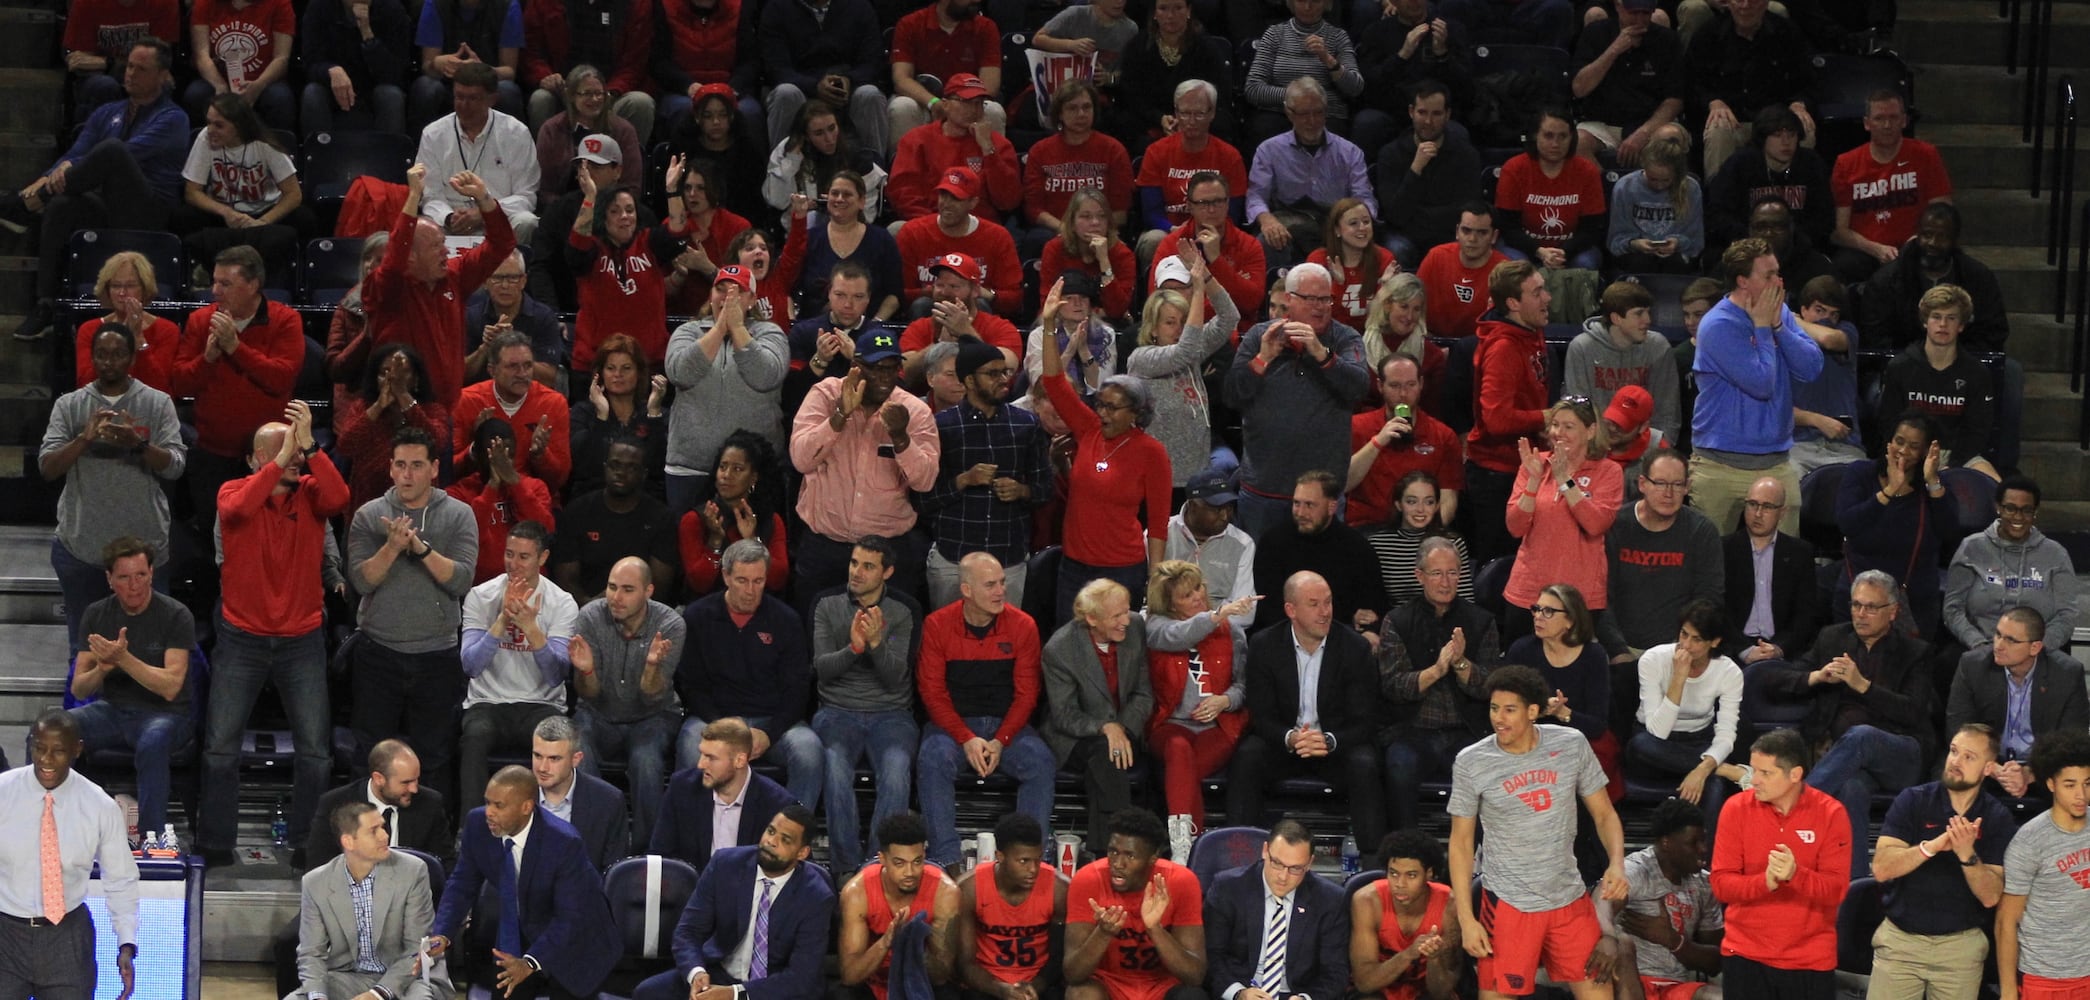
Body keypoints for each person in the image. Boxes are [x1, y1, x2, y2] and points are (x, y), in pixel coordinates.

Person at [199, 403, 348, 865]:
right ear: (254, 459)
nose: (292, 458)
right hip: (242, 638)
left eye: (293, 448)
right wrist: (285, 456)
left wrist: (311, 446)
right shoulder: (232, 491)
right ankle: (217, 843)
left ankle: (308, 842)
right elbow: (242, 506)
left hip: (301, 641)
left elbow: (340, 497)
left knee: (316, 754)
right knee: (221, 748)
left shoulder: (311, 494)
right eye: (277, 449)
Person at [1448, 664, 1629, 1000]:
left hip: (1569, 900)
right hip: (1508, 904)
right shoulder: (1472, 762)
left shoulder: (1571, 744)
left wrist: (1616, 862)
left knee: (1601, 991)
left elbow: (1604, 813)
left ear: (1533, 711)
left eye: (1509, 710)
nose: (1498, 718)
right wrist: (1466, 918)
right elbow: (1460, 843)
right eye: (1493, 708)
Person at [2, 39, 186, 343]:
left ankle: (23, 208)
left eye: (141, 69)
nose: (131, 74)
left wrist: (61, 176)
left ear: (162, 76)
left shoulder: (173, 118)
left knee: (113, 151)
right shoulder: (108, 112)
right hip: (103, 202)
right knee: (63, 205)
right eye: (129, 66)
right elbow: (76, 153)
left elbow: (123, 155)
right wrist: (51, 174)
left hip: (148, 209)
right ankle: (45, 304)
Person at [1770, 571, 1935, 877]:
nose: (1861, 614)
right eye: (1856, 605)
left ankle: (1794, 805)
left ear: (1893, 612)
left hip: (1901, 755)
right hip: (1849, 763)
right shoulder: (1832, 638)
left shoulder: (1916, 653)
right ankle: (1855, 889)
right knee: (1851, 790)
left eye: (1871, 607)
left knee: (1862, 736)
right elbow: (1780, 678)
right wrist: (1816, 676)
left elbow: (1914, 712)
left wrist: (1864, 686)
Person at [347, 427, 479, 800]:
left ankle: (430, 845)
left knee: (435, 756)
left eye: (416, 465)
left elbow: (460, 581)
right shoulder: (369, 515)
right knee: (370, 754)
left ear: (435, 468)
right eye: (400, 465)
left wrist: (419, 548)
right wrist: (391, 548)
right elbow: (362, 580)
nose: (407, 474)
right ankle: (363, 834)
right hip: (378, 654)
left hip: (436, 656)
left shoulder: (458, 515)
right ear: (390, 468)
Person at [40, 322, 183, 654]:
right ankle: (80, 708)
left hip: (143, 553)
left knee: (147, 650)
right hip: (82, 550)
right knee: (84, 649)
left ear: (131, 357)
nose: (109, 362)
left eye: (118, 355)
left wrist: (138, 445)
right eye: (102, 355)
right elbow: (47, 468)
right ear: (92, 358)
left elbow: (176, 466)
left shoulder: (157, 403)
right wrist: (83, 438)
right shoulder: (70, 405)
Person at [1039, 279, 1173, 625]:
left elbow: (1158, 525)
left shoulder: (1151, 452)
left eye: (1114, 408)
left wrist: (1155, 579)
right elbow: (1054, 382)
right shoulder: (1088, 429)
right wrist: (1050, 325)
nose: (1103, 414)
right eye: (1101, 405)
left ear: (1137, 414)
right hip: (1074, 566)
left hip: (1122, 570)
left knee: (1116, 651)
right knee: (1067, 646)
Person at [1230, 571, 1388, 850]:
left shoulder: (1354, 647)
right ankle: (1243, 853)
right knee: (1248, 756)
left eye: (1328, 603)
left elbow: (1365, 719)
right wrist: (1290, 737)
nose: (1325, 612)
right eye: (1314, 604)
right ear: (1291, 610)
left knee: (1364, 763)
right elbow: (1260, 714)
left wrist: (1328, 740)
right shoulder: (1265, 645)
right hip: (1284, 743)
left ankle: (1372, 861)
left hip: (1336, 745)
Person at [917, 553, 1057, 869]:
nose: (1000, 591)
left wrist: (1000, 740)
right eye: (990, 584)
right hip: (953, 728)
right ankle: (947, 860)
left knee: (1040, 762)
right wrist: (966, 737)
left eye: (1002, 583)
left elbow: (1027, 694)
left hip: (1007, 727)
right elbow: (933, 694)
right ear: (966, 589)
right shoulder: (937, 625)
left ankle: (1026, 856)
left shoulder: (1023, 626)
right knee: (932, 759)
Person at [428, 767, 615, 1000]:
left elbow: (571, 916)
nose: (489, 812)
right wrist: (443, 933)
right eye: (487, 802)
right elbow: (462, 882)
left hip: (577, 940)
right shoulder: (478, 825)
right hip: (523, 928)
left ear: (526, 807)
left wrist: (530, 963)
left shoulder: (563, 842)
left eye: (499, 805)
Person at [1865, 723, 2017, 1000]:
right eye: (1954, 751)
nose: (1956, 762)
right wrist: (1930, 847)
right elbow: (1881, 868)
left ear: (1988, 769)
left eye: (1969, 757)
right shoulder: (1913, 800)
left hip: (1960, 947)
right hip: (1901, 942)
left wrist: (1967, 855)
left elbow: (1991, 896)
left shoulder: (1997, 818)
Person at [791, 329, 939, 606]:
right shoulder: (825, 395)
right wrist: (839, 416)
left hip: (886, 551)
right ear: (856, 366)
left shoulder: (913, 412)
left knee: (882, 640)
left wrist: (901, 437)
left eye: (892, 368)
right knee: (817, 633)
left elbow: (926, 481)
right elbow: (801, 458)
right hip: (824, 547)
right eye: (876, 368)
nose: (885, 377)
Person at [1226, 262, 1372, 539]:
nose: (1320, 306)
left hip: (1321, 493)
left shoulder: (1345, 338)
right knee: (1259, 575)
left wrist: (1322, 354)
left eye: (1325, 299)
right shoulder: (1260, 336)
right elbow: (1233, 395)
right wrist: (1263, 358)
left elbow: (1358, 389)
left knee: (1321, 576)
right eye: (1310, 299)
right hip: (1263, 490)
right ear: (1289, 299)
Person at [0, 710, 140, 1000]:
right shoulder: (3, 793)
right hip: (5, 936)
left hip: (68, 940)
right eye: (39, 748)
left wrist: (126, 944)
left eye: (58, 751)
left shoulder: (99, 805)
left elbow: (121, 879)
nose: (45, 760)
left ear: (77, 748)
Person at [629, 805, 837, 1000]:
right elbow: (688, 932)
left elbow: (801, 978)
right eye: (771, 831)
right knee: (647, 993)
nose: (771, 841)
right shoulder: (725, 865)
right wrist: (697, 973)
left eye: (785, 840)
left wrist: (735, 995)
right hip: (719, 974)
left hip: (775, 988)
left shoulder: (816, 896)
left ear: (802, 853)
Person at [64, 535, 193, 849]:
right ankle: (62, 828)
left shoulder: (176, 615)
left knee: (153, 740)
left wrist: (123, 658)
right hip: (112, 710)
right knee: (53, 729)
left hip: (166, 716)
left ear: (151, 573)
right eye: (124, 577)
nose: (134, 585)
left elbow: (170, 687)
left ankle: (151, 839)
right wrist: (104, 669)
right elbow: (80, 687)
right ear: (110, 580)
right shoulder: (97, 614)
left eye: (141, 575)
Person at [1689, 238, 1823, 537]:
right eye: (1768, 275)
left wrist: (1777, 326)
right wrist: (1763, 328)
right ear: (1743, 281)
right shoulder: (1717, 326)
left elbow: (1812, 367)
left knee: (1784, 562)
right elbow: (1761, 384)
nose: (1779, 281)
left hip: (1776, 461)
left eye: (1778, 272)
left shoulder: (1780, 313)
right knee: (1712, 568)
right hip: (1719, 465)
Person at [675, 539, 821, 807]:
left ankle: (791, 836)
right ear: (726, 576)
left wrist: (770, 732)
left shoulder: (786, 620)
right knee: (689, 744)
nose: (751, 591)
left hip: (772, 721)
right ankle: (697, 834)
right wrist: (724, 728)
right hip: (716, 719)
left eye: (758, 581)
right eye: (742, 580)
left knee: (808, 750)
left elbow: (798, 689)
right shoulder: (698, 617)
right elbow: (692, 686)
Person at [808, 536, 921, 875]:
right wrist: (854, 649)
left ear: (887, 572)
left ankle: (876, 865)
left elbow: (895, 677)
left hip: (892, 714)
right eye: (854, 563)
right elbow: (822, 670)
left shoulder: (904, 610)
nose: (856, 572)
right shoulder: (826, 603)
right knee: (834, 767)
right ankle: (845, 869)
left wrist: (875, 644)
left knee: (897, 770)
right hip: (836, 711)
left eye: (868, 566)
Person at [170, 245, 305, 527]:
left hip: (269, 458)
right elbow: (180, 383)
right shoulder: (200, 320)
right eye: (215, 282)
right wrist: (207, 359)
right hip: (212, 455)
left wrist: (235, 347)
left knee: (269, 532)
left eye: (225, 283)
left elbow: (281, 379)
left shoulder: (285, 321)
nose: (215, 291)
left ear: (253, 284)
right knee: (213, 535)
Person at [1709, 728, 1849, 999]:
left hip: (1810, 960)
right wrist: (1766, 882)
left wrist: (1796, 875)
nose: (1754, 780)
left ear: (1795, 775)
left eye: (1765, 773)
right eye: (1753, 770)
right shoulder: (1735, 809)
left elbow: (1837, 890)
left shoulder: (1832, 814)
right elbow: (1721, 885)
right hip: (1745, 956)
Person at [364, 160, 517, 408]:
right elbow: (393, 260)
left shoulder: (454, 276)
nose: (446, 251)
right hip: (396, 410)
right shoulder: (387, 288)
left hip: (447, 409)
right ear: (410, 255)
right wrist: (413, 196)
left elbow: (502, 244)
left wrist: (483, 197)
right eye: (436, 246)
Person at [1377, 536, 1497, 830]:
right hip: (1413, 731)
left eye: (1453, 573)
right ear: (1420, 576)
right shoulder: (1397, 621)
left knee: (1484, 768)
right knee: (1398, 765)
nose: (1446, 582)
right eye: (1437, 573)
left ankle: (1478, 861)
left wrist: (1460, 663)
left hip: (1466, 731)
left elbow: (1491, 685)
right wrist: (1436, 669)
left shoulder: (1481, 620)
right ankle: (1406, 854)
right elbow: (1393, 686)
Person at [923, 341, 1050, 609]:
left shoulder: (1026, 424)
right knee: (948, 640)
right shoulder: (942, 426)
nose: (1003, 380)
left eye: (1005, 373)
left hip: (1009, 558)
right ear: (969, 380)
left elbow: (1044, 489)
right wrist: (964, 480)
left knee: (1005, 640)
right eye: (992, 374)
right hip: (953, 557)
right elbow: (923, 499)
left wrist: (1021, 490)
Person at [566, 557, 682, 848]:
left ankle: (649, 853)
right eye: (612, 587)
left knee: (646, 760)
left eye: (628, 590)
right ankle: (594, 845)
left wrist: (653, 666)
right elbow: (588, 694)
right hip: (598, 713)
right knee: (579, 753)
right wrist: (587, 671)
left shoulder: (670, 625)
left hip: (652, 715)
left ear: (649, 591)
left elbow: (651, 695)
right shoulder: (590, 617)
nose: (616, 598)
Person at [457, 520, 577, 801]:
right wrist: (502, 621)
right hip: (487, 703)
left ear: (543, 558)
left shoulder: (562, 603)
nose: (514, 563)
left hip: (542, 705)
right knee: (473, 738)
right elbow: (470, 666)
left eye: (523, 557)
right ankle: (470, 828)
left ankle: (548, 823)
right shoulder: (480, 596)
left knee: (552, 743)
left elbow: (555, 675)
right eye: (509, 554)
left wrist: (532, 629)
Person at [664, 262, 791, 516]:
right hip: (690, 466)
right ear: (710, 294)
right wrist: (720, 327)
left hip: (753, 472)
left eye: (737, 291)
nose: (726, 298)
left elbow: (766, 376)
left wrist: (738, 329)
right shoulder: (687, 332)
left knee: (753, 549)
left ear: (752, 299)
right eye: (721, 289)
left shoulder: (771, 334)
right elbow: (680, 373)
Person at [289, 800, 448, 1000]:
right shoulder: (316, 883)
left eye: (382, 826)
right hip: (347, 977)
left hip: (409, 977)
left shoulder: (412, 871)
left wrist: (377, 994)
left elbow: (415, 950)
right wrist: (318, 997)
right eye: (374, 831)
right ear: (349, 841)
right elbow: (311, 954)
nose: (385, 835)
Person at [1043, 579, 1154, 852]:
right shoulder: (1060, 649)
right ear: (1091, 618)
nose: (1125, 621)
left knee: (1111, 760)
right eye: (1116, 616)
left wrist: (1122, 730)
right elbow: (1064, 715)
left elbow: (1144, 693)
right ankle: (1121, 847)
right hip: (1078, 736)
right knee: (1107, 756)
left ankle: (1104, 851)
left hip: (1127, 730)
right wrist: (1106, 727)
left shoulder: (1136, 627)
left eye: (1126, 611)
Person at [1143, 561, 1254, 833]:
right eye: (1187, 595)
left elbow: (1244, 685)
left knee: (1182, 774)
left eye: (1198, 588)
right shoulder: (1155, 627)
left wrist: (1224, 700)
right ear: (1170, 606)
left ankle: (1182, 845)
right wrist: (1218, 615)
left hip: (1218, 727)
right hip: (1169, 724)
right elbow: (1178, 636)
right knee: (1179, 751)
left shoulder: (1232, 632)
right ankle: (1189, 845)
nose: (1198, 597)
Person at [1501, 398, 1625, 641]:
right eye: (1555, 425)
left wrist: (1565, 481)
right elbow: (1515, 527)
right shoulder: (1534, 465)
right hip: (1528, 591)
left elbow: (1596, 524)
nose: (1559, 433)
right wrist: (1534, 481)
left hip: (1578, 597)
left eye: (1569, 426)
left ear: (1590, 431)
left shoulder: (1608, 472)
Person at [1464, 260, 1558, 564]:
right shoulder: (1504, 347)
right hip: (1498, 476)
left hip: (1523, 466)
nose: (1548, 298)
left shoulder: (1530, 332)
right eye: (1538, 292)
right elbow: (1496, 419)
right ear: (1513, 303)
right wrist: (1546, 417)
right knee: (1501, 568)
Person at [1064, 807, 1209, 1000]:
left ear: (1152, 858)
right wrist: (1103, 933)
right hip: (1108, 984)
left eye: (1130, 856)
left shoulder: (1181, 882)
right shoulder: (1088, 880)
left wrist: (1155, 929)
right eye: (1113, 852)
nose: (1117, 863)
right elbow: (1073, 974)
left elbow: (1195, 976)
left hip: (1162, 986)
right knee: (1080, 994)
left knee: (1192, 997)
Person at [1946, 608, 2089, 801]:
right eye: (1998, 635)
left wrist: (2029, 773)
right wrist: (1994, 769)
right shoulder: (1973, 665)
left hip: (2044, 767)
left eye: (2011, 640)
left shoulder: (2067, 674)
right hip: (1986, 764)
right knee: (1947, 774)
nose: (1999, 645)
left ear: (2035, 647)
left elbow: (2072, 741)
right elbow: (1958, 727)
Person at [1835, 415, 1958, 636]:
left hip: (1913, 598)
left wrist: (1932, 481)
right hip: (1858, 593)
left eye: (1913, 446)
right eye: (1899, 441)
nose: (1903, 450)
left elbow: (1948, 531)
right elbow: (1848, 524)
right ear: (1889, 442)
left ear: (1925, 452)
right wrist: (1889, 491)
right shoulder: (1861, 473)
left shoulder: (1934, 486)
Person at [1593, 798, 1725, 1000]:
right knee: (1622, 942)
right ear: (1667, 843)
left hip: (1676, 986)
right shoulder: (1638, 870)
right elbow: (1601, 901)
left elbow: (1715, 961)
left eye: (1703, 840)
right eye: (1693, 842)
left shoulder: (1704, 884)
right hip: (1632, 981)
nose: (1703, 849)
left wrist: (1672, 940)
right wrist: (1608, 935)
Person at [1631, 601, 1745, 833]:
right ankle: (1725, 769)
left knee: (1712, 784)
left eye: (1696, 639)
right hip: (1654, 748)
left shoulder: (1729, 672)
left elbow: (1725, 735)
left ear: (1714, 642)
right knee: (1641, 745)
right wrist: (1678, 679)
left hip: (1697, 741)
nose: (1686, 645)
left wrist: (1703, 769)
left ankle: (1708, 864)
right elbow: (1657, 732)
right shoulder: (1653, 660)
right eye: (1684, 634)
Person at [1206, 819, 1352, 999]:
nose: (1283, 876)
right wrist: (1238, 993)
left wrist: (1306, 999)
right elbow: (1213, 956)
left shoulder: (1330, 900)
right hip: (1243, 991)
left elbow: (1335, 972)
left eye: (1296, 868)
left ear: (1309, 864)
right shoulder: (1229, 888)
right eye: (1277, 863)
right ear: (1265, 851)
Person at [1128, 255, 1239, 491]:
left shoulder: (1192, 353)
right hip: (1158, 479)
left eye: (1183, 321)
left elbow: (1230, 317)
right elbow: (1184, 351)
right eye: (1170, 322)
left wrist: (1206, 278)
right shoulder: (1142, 359)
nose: (1179, 329)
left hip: (1196, 476)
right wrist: (1197, 292)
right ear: (1153, 327)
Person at [1505, 583, 1621, 802]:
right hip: (1530, 742)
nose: (1538, 616)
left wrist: (1564, 713)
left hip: (1578, 744)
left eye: (1548, 611)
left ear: (1570, 620)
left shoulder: (1593, 656)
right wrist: (1535, 713)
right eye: (1536, 609)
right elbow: (1504, 707)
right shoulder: (1521, 650)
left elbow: (1597, 725)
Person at [1997, 730, 2090, 1000]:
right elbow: (2006, 921)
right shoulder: (2029, 841)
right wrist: (2007, 991)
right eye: (2070, 785)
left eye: (2087, 783)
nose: (2081, 795)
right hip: (2044, 978)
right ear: (2051, 784)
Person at [173, 93, 311, 271]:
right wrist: (226, 212)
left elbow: (293, 194)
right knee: (182, 217)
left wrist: (262, 222)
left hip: (262, 211)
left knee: (304, 219)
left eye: (219, 125)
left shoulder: (264, 145)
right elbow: (192, 192)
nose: (211, 129)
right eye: (208, 122)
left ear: (238, 126)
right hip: (222, 212)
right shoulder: (205, 138)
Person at [1608, 450, 1724, 657]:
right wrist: (1617, 650)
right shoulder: (1616, 525)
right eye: (1660, 483)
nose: (1669, 493)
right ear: (1642, 483)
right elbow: (1601, 595)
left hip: (1679, 650)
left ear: (1687, 487)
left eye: (1677, 484)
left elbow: (1708, 599)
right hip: (1620, 649)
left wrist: (1682, 649)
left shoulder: (1702, 531)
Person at [1681, 0, 1815, 181]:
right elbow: (1692, 83)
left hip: (1774, 122)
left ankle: (1797, 198)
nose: (1744, 6)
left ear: (1765, 3)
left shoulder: (1786, 32)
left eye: (1752, 1)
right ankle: (1719, 200)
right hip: (1732, 121)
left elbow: (1807, 80)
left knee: (1803, 127)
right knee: (1718, 128)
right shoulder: (1708, 34)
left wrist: (1798, 104)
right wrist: (1713, 102)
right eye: (1739, 0)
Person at [756, 0, 889, 182]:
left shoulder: (860, 6)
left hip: (848, 87)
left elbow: (873, 61)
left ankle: (874, 180)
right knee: (785, 94)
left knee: (870, 95)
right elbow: (776, 67)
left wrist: (848, 80)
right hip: (801, 88)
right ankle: (782, 180)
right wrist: (815, 86)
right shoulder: (777, 8)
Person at [1875, 285, 1998, 479]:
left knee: (1996, 488)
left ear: (1961, 325)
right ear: (1925, 321)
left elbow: (1977, 431)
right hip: (1908, 452)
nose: (1943, 324)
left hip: (1957, 455)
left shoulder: (1976, 373)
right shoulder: (1900, 367)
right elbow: (1888, 422)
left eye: (1951, 318)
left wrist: (1954, 465)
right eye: (1936, 317)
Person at [1246, 78, 1373, 265]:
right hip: (1290, 222)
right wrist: (1267, 220)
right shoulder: (1269, 150)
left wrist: (1358, 222)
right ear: (1289, 113)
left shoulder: (1350, 152)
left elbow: (1363, 197)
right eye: (1304, 114)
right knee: (1267, 241)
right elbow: (1256, 196)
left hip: (1337, 223)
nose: (1312, 121)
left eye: (1318, 113)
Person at [1830, 91, 1952, 284]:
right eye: (1879, 118)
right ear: (1867, 123)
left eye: (1893, 118)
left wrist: (1917, 241)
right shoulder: (1846, 163)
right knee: (1845, 265)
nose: (1887, 125)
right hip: (1866, 252)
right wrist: (1875, 248)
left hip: (1916, 246)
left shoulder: (1926, 155)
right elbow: (1840, 232)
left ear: (1904, 121)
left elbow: (1943, 213)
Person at [838, 813, 963, 999]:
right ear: (882, 859)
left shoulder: (946, 893)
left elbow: (940, 976)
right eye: (899, 863)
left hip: (921, 983)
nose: (910, 872)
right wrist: (886, 942)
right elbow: (850, 975)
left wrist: (912, 941)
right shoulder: (857, 893)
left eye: (917, 862)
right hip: (874, 984)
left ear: (924, 856)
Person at [1948, 476, 2077, 656]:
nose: (2018, 517)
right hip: (1981, 648)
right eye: (2010, 508)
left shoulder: (2056, 554)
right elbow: (1953, 609)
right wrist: (1978, 644)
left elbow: (2066, 614)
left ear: (2035, 512)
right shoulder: (1971, 547)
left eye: (2026, 510)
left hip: (2037, 653)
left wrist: (2036, 650)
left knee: (2069, 670)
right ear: (1998, 508)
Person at [1859, 203, 2009, 354]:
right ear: (1917, 234)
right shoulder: (1886, 280)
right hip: (1901, 366)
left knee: (2011, 371)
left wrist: (1955, 360)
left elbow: (1993, 333)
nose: (1933, 243)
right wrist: (1915, 360)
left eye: (1942, 237)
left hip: (1964, 365)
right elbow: (1875, 338)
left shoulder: (1978, 277)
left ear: (1955, 240)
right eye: (1927, 235)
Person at [650, 717, 796, 871]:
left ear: (740, 760)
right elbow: (660, 856)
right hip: (693, 891)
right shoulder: (683, 789)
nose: (700, 764)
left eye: (711, 758)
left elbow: (794, 872)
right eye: (702, 754)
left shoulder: (776, 804)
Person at [414, 62, 540, 241]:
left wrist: (485, 212)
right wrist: (449, 218)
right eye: (459, 97)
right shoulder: (433, 134)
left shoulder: (516, 133)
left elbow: (526, 196)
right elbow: (430, 195)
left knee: (527, 221)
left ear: (492, 99)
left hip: (500, 217)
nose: (464, 105)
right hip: (452, 222)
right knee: (421, 228)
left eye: (473, 98)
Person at [1252, 470, 1386, 635]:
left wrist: (1368, 628)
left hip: (1340, 637)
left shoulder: (1357, 548)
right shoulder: (1273, 542)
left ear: (1331, 507)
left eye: (1309, 505)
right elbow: (1267, 606)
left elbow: (1373, 605)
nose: (1300, 513)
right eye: (1296, 503)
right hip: (1284, 635)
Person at [1134, 82, 1249, 261]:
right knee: (1153, 240)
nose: (1192, 121)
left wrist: (1205, 233)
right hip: (1168, 230)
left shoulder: (1229, 156)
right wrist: (1176, 231)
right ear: (1176, 112)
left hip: (1215, 230)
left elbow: (1232, 212)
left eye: (1199, 114)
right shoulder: (1156, 152)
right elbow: (1151, 212)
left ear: (1212, 113)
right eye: (1185, 113)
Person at [955, 813, 1065, 1000]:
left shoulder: (1059, 889)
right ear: (1000, 856)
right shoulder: (969, 889)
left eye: (1038, 859)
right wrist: (1001, 990)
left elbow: (1059, 958)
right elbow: (966, 963)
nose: (1033, 869)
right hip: (987, 985)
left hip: (1040, 983)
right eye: (1023, 861)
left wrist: (1034, 987)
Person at [1350, 354, 1464, 533]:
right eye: (1395, 386)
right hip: (1365, 528)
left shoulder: (1443, 436)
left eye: (1410, 385)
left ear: (1421, 384)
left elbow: (1448, 499)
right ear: (1380, 386)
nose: (1403, 394)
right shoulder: (1356, 427)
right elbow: (1343, 483)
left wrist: (1425, 533)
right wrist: (1378, 441)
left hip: (1420, 529)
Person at [1374, 81, 1480, 272]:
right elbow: (1395, 215)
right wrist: (1416, 168)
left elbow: (1467, 208)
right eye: (1422, 113)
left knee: (1473, 244)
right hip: (1405, 235)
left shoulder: (1466, 155)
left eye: (1436, 114)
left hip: (1449, 233)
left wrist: (1421, 217)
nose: (1428, 121)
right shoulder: (1390, 154)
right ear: (1411, 112)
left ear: (1448, 115)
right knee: (1396, 250)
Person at [338, 343, 453, 512]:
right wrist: (378, 406)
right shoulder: (362, 408)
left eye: (403, 372)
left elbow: (437, 442)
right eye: (385, 372)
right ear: (375, 378)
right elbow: (345, 445)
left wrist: (403, 396)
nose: (392, 378)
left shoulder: (433, 410)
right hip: (369, 507)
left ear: (416, 378)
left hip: (420, 510)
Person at [556, 439, 678, 600]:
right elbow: (566, 580)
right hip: (584, 611)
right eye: (615, 465)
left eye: (631, 467)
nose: (621, 472)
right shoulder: (576, 512)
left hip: (641, 613)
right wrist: (592, 610)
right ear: (605, 467)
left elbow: (659, 586)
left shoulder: (662, 518)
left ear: (644, 474)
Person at [888, 75, 1020, 222]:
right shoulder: (917, 140)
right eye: (966, 102)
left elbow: (1008, 201)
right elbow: (903, 192)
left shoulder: (997, 144)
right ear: (945, 105)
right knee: (896, 230)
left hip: (980, 229)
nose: (974, 109)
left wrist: (988, 150)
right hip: (927, 224)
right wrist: (932, 224)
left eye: (979, 103)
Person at [1720, 476, 1823, 665]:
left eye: (1767, 507)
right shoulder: (1724, 549)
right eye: (1752, 504)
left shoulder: (1800, 553)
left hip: (1782, 650)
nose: (1757, 513)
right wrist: (1744, 649)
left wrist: (1779, 648)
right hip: (1733, 651)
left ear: (1782, 512)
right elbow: (1718, 608)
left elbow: (1805, 614)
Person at [1149, 168, 1267, 331]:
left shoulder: (1249, 245)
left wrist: (1216, 260)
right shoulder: (1171, 245)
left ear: (1227, 204)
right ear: (1190, 206)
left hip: (1234, 335)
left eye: (1218, 201)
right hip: (1182, 334)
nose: (1212, 210)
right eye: (1203, 203)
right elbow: (1157, 301)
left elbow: (1251, 303)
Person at [1348, 828, 1459, 1000]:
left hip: (1426, 991)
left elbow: (1442, 992)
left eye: (1411, 875)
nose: (1400, 884)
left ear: (1429, 873)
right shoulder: (1366, 901)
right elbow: (1364, 983)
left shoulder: (1451, 905)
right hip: (1379, 989)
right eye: (1393, 873)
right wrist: (1409, 954)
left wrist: (1434, 959)